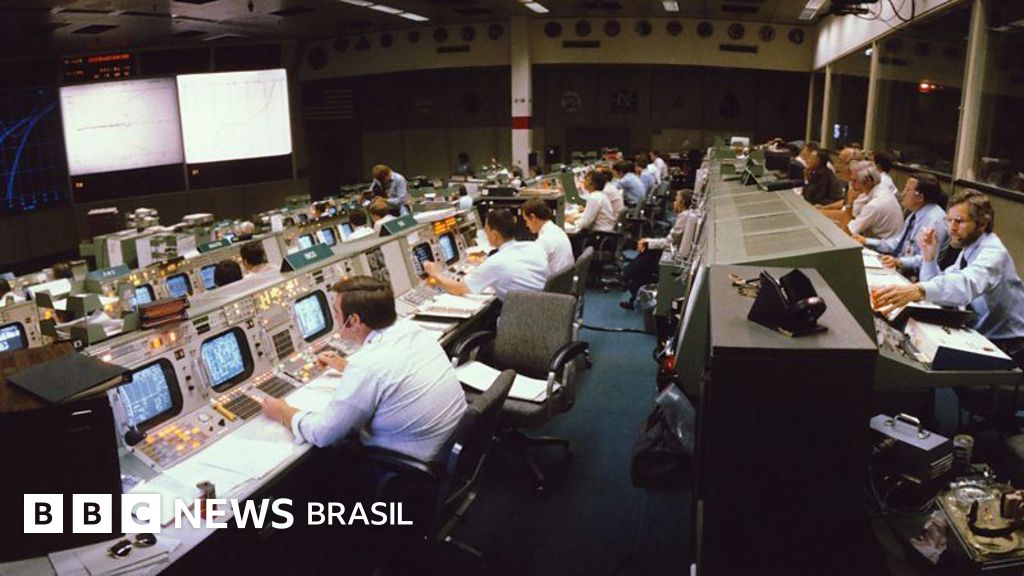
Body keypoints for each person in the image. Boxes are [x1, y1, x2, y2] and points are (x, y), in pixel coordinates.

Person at [260, 276, 467, 463]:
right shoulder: (413, 331)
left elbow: (324, 434)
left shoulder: (368, 365)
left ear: (355, 321)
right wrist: (346, 368)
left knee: (326, 457)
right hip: (450, 447)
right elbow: (392, 372)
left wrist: (284, 412)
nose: (336, 318)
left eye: (336, 312)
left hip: (408, 466)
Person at [872, 190, 1024, 368]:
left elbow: (965, 284)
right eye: (949, 220)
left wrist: (917, 290)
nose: (951, 227)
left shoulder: (994, 253)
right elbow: (941, 284)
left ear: (982, 224)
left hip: (1007, 346)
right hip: (979, 333)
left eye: (959, 221)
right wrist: (929, 258)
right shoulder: (969, 249)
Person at [423, 209, 548, 301]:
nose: (486, 235)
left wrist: (435, 274)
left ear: (495, 234)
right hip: (544, 310)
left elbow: (459, 288)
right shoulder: (533, 246)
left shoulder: (495, 262)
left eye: (486, 231)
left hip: (521, 319)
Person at [854, 173, 950, 276]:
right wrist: (866, 241)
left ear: (920, 197)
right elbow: (898, 243)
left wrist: (899, 262)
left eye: (907, 190)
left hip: (916, 277)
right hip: (899, 268)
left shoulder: (935, 221)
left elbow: (927, 259)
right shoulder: (915, 214)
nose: (902, 193)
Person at [620, 188, 695, 310]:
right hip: (674, 253)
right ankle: (626, 278)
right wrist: (648, 242)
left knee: (646, 256)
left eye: (676, 200)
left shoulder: (684, 217)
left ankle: (625, 277)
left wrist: (648, 242)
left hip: (674, 257)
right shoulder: (686, 216)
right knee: (646, 255)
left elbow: (669, 242)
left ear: (682, 203)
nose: (673, 203)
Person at [843, 161, 903, 239]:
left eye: (855, 181)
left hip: (881, 247)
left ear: (868, 181)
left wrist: (849, 203)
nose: (851, 185)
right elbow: (854, 216)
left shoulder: (875, 204)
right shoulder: (881, 190)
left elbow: (846, 233)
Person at [521, 198, 574, 275]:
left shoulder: (545, 240)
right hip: (564, 281)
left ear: (532, 217)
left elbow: (529, 268)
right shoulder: (557, 230)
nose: (526, 225)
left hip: (553, 284)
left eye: (526, 220)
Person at [566, 170, 616, 234]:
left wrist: (572, 221)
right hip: (606, 230)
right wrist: (574, 217)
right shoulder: (600, 195)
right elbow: (588, 215)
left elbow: (584, 223)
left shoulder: (594, 198)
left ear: (592, 183)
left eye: (586, 179)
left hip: (601, 233)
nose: (583, 181)